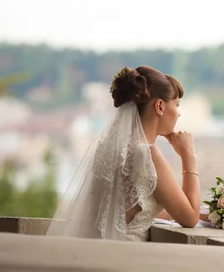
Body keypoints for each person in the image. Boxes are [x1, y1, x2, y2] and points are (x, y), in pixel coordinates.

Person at [46, 66, 201, 241]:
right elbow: (190, 218)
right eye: (176, 104)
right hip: (129, 257)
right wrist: (189, 157)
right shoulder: (149, 154)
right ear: (159, 106)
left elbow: (131, 213)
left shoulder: (113, 148)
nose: (178, 113)